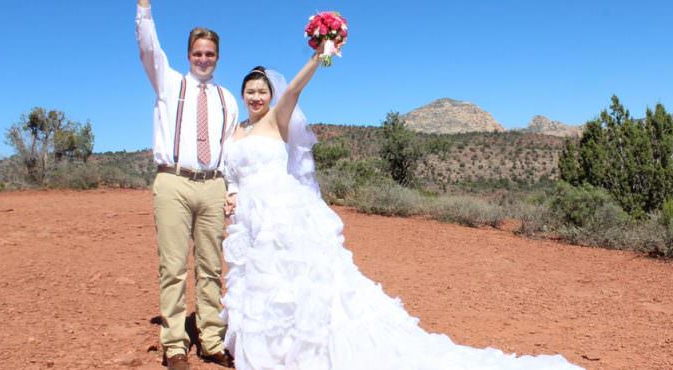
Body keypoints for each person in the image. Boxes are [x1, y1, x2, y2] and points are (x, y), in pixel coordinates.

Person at [220, 45, 584, 370]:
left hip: (283, 212)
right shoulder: (236, 131)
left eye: (261, 91)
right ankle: (271, 349)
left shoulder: (275, 120)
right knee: (260, 282)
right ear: (242, 95)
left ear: (271, 94)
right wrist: (232, 192)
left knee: (297, 280)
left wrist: (319, 54)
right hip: (248, 218)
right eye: (249, 91)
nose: (255, 96)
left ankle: (306, 349)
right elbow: (231, 171)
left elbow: (296, 87)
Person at [135, 0, 238, 368]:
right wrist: (144, 9)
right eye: (198, 52)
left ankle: (211, 340)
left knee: (211, 265)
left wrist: (231, 190)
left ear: (218, 57)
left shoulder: (228, 99)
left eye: (210, 53)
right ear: (188, 55)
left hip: (213, 185)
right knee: (174, 265)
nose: (204, 59)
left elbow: (229, 150)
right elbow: (149, 48)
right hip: (174, 181)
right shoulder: (169, 81)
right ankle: (175, 345)